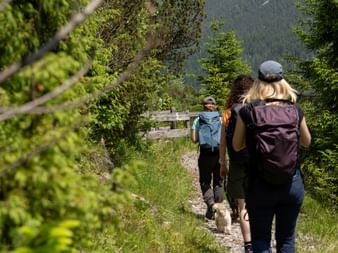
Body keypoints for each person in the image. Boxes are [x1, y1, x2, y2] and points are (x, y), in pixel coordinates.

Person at [232, 60, 311, 253]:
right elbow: (307, 141)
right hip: (291, 185)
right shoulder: (295, 110)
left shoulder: (247, 111)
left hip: (259, 186)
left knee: (260, 239)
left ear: (258, 82)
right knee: (286, 240)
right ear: (282, 82)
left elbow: (236, 145)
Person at [219, 75, 254, 253]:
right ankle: (262, 240)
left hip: (237, 163)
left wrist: (222, 163)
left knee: (242, 206)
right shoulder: (258, 108)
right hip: (257, 164)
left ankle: (248, 244)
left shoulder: (227, 113)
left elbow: (223, 143)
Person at [191, 96, 224, 219]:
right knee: (219, 182)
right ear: (215, 107)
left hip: (205, 155)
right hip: (218, 153)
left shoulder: (198, 120)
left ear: (203, 107)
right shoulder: (220, 120)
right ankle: (219, 207)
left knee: (205, 181)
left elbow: (194, 140)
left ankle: (210, 204)